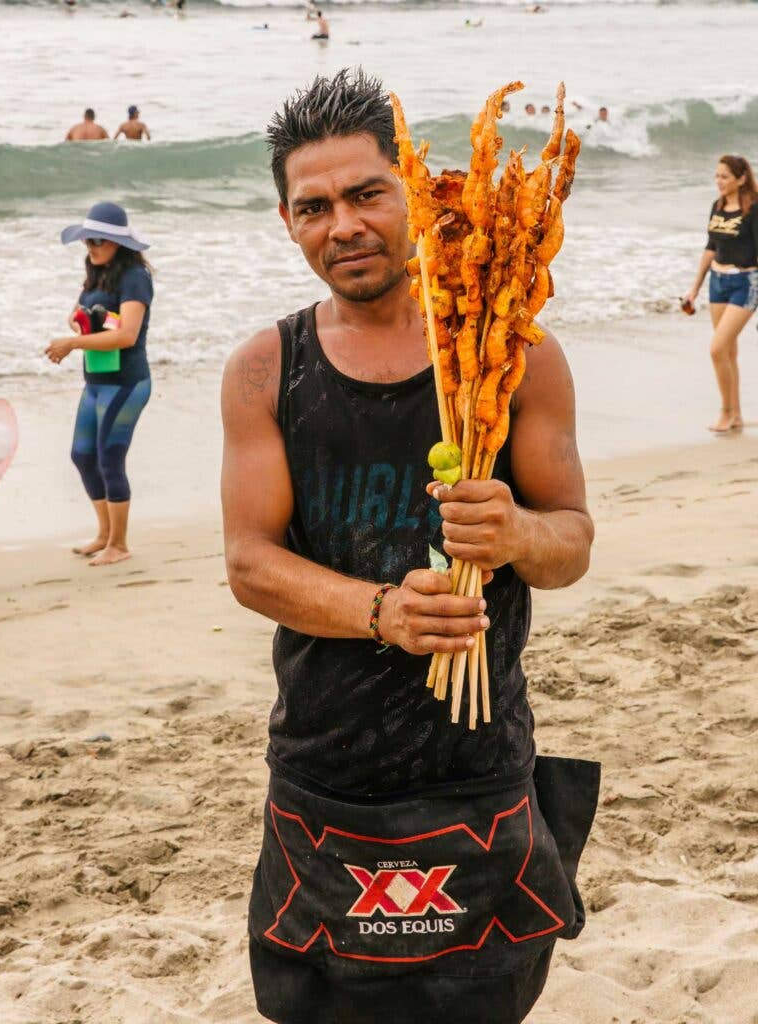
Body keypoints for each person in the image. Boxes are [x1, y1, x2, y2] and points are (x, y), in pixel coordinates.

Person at [221, 69, 599, 1024]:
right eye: (314, 207)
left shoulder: (514, 350)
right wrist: (382, 613)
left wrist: (514, 534)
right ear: (287, 223)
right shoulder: (265, 368)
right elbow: (249, 563)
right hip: (323, 769)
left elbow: (572, 543)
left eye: (365, 194)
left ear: (418, 196)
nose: (342, 224)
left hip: (478, 765)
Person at [45, 202, 153, 565]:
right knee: (82, 455)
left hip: (126, 383)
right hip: (95, 382)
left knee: (110, 458)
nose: (90, 247)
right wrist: (78, 322)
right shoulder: (96, 271)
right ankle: (105, 534)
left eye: (98, 241)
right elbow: (80, 312)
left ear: (117, 242)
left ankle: (119, 545)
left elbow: (127, 336)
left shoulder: (135, 278)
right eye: (87, 240)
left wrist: (73, 342)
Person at [682, 155, 758, 433]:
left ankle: (725, 413)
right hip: (717, 281)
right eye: (717, 176)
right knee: (728, 351)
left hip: (746, 283)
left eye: (725, 176)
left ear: (741, 179)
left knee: (716, 349)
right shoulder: (718, 205)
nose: (719, 181)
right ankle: (736, 414)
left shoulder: (753, 210)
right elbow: (710, 247)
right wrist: (695, 288)